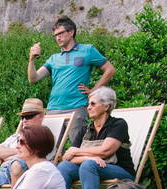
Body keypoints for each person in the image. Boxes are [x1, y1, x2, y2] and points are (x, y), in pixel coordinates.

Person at [28, 15, 116, 146]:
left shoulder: (87, 50)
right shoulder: (54, 58)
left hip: (77, 108)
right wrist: (31, 59)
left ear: (71, 32)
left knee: (77, 147)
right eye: (55, 35)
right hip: (53, 109)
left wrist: (93, 91)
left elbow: (110, 70)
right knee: (50, 149)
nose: (58, 38)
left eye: (61, 33)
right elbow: (33, 78)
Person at [57, 86, 135, 189]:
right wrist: (89, 158)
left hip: (121, 171)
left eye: (93, 104)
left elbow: (106, 151)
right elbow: (67, 157)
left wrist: (77, 152)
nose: (88, 107)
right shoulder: (85, 129)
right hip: (90, 169)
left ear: (106, 106)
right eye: (88, 104)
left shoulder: (118, 124)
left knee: (88, 166)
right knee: (64, 166)